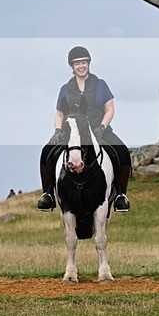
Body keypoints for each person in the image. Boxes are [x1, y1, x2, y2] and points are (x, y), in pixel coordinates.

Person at [37, 46, 132, 212]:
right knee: (47, 152)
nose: (81, 66)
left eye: (83, 62)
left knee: (122, 152)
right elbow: (59, 114)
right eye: (77, 63)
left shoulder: (101, 85)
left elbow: (110, 109)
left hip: (97, 129)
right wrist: (59, 131)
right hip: (72, 132)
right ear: (72, 67)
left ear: (88, 63)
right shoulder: (65, 89)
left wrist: (102, 127)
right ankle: (48, 194)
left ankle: (120, 195)